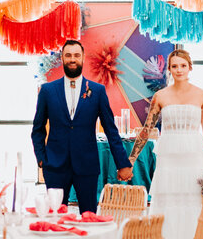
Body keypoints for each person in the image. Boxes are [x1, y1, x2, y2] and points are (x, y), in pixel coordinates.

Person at [131, 47, 203, 239]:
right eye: (174, 66)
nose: (178, 70)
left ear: (190, 68)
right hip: (168, 158)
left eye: (182, 66)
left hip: (193, 157)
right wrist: (131, 159)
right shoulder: (161, 96)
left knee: (193, 205)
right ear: (169, 69)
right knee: (168, 206)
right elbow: (147, 129)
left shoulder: (202, 95)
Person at [31, 38, 132, 215]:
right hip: (54, 166)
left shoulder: (98, 91)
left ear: (83, 58)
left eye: (76, 55)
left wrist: (122, 164)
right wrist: (41, 159)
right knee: (55, 216)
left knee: (89, 216)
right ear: (62, 58)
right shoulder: (47, 91)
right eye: (68, 55)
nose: (72, 59)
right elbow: (37, 130)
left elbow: (110, 130)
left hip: (87, 165)